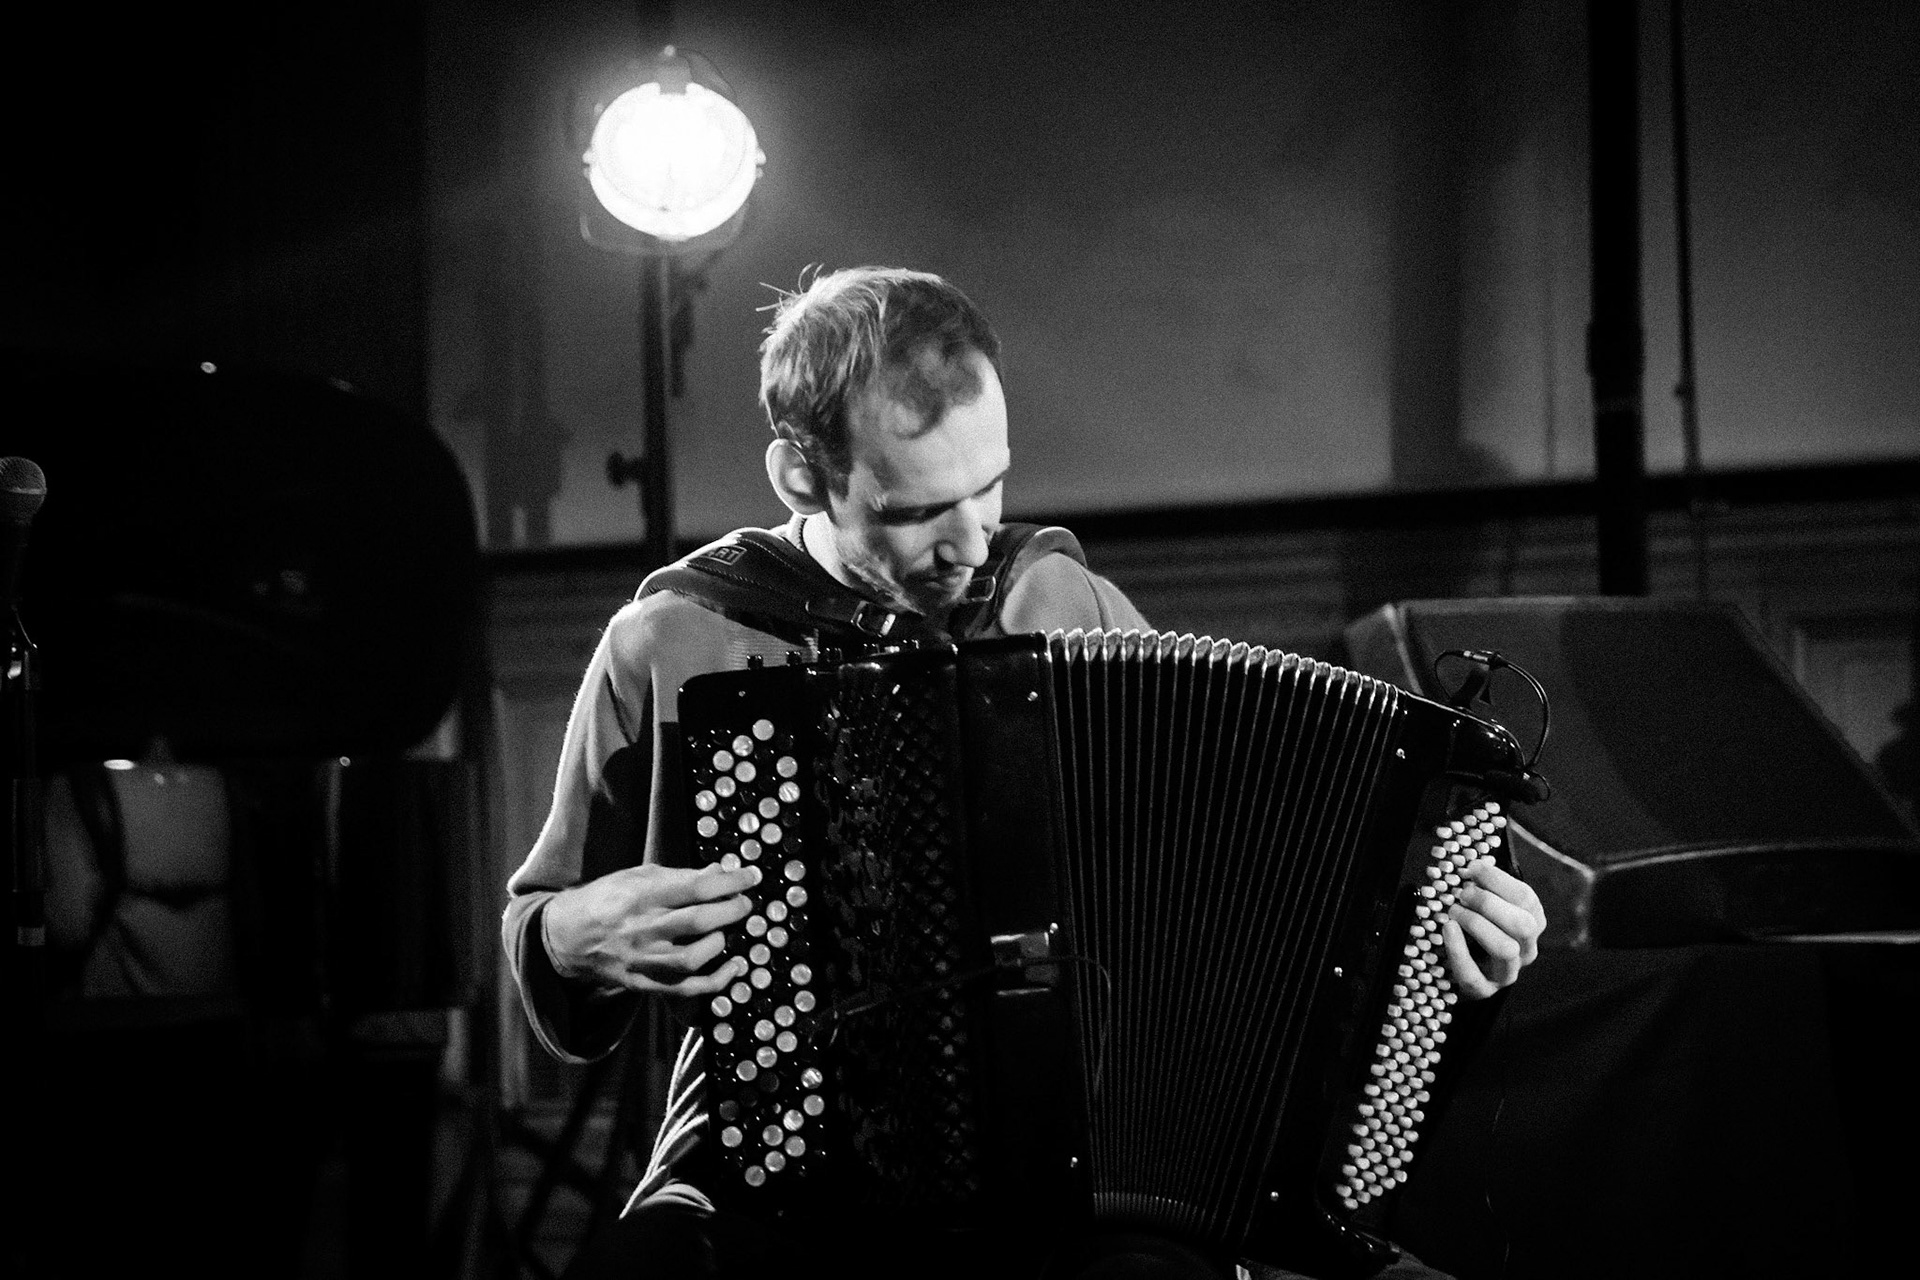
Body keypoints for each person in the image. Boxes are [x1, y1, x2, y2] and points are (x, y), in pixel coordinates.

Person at [502, 266, 1547, 1280]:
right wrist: (572, 932)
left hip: (1076, 1165)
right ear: (801, 475)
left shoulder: (1057, 604)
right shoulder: (677, 637)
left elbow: (1251, 875)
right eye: (915, 510)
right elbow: (538, 922)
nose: (969, 540)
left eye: (989, 483)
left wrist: (1426, 922)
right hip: (777, 1159)